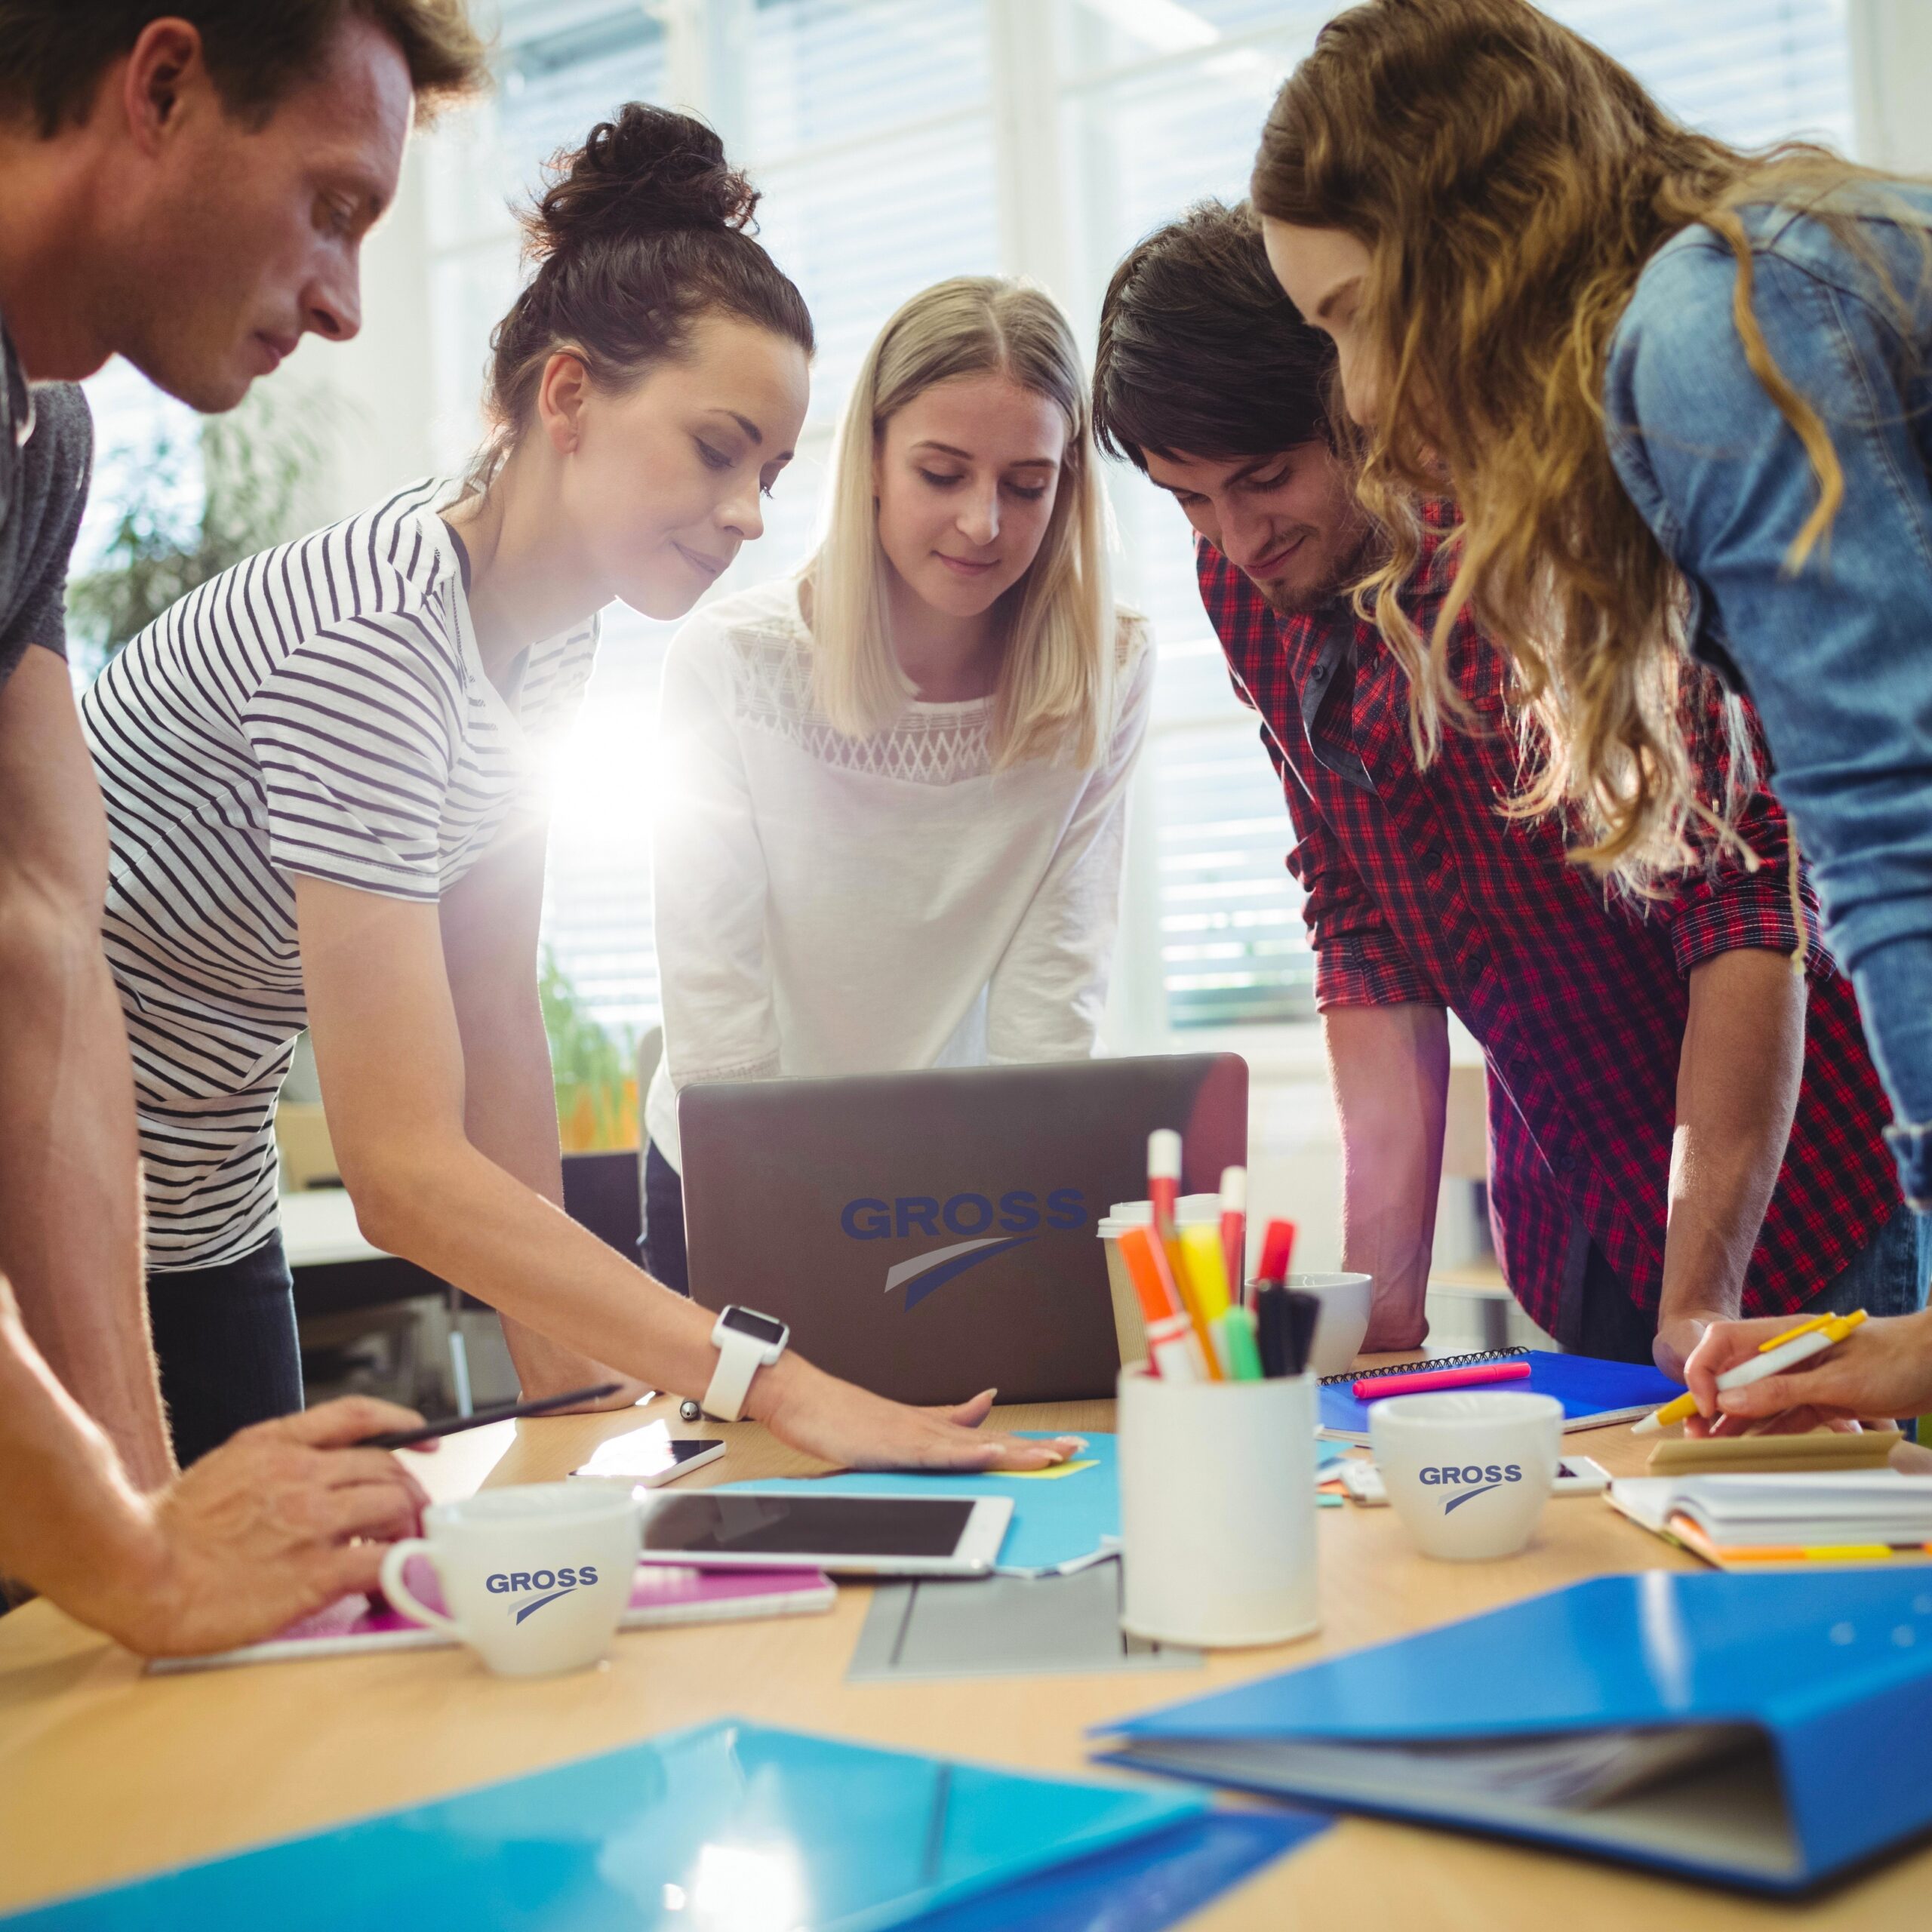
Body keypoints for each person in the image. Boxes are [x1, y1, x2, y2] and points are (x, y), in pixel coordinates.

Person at [83, 109, 1080, 1477]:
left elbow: (494, 1018)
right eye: (717, 449)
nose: (747, 515)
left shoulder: (556, 633)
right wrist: (774, 1387)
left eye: (772, 475)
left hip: (202, 1201)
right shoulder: (368, 641)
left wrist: (577, 1393)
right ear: (567, 400)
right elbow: (401, 1168)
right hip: (54, 1206)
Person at [1090, 199, 1918, 1372]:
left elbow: (1738, 904)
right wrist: (1380, 1307)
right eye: (1188, 499)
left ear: (1357, 400)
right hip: (1575, 1203)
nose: (1232, 538)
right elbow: (1360, 918)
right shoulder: (1249, 579)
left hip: (1791, 1191)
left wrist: (1702, 1302)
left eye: (1264, 478)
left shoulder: (1538, 538)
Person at [1247, 0, 1932, 1321]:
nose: (1367, 394)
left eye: (1354, 315)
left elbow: (1901, 845)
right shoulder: (1732, 289)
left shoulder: (1708, 336)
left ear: (1474, 242)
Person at [0, 0, 485, 1652]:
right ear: (160, 84)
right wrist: (141, 1561)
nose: (345, 303)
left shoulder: (36, 443)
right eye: (333, 208)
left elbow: (44, 954)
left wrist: (151, 1528)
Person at [640, 277, 1152, 1292]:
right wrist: (784, 1233)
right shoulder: (733, 664)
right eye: (942, 472)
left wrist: (1005, 1231)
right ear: (871, 462)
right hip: (734, 1162)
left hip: (963, 1176)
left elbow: (1053, 1004)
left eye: (1026, 484)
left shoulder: (1108, 668)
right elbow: (716, 1011)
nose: (982, 524)